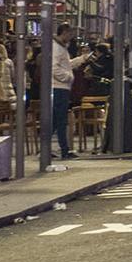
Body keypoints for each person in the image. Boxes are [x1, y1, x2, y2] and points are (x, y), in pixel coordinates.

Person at [51, 24, 78, 160]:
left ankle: (51, 148)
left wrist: (81, 59)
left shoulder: (61, 48)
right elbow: (54, 68)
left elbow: (66, 65)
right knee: (59, 120)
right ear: (64, 33)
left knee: (57, 120)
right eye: (70, 34)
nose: (71, 37)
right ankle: (63, 150)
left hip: (61, 87)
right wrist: (68, 77)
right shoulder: (57, 48)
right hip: (59, 87)